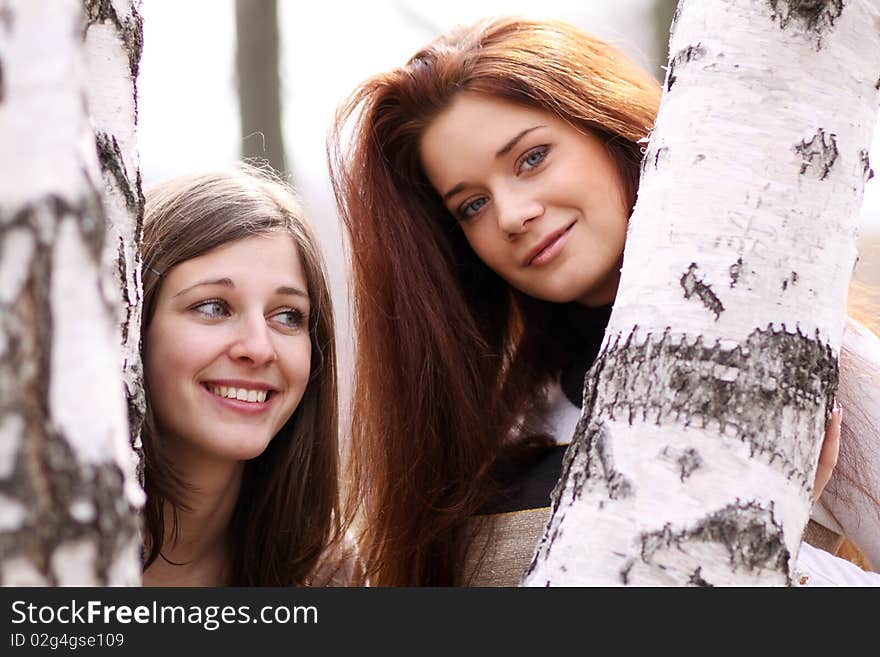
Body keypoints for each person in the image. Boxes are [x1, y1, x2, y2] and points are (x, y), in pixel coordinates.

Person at [328, 17, 879, 586]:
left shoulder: (803, 352)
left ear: (608, 127)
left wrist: (756, 554)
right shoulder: (497, 423)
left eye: (532, 158)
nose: (512, 215)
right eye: (472, 205)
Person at [139, 164, 351, 586]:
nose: (258, 347)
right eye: (213, 307)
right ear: (134, 322)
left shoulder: (327, 575)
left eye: (288, 316)